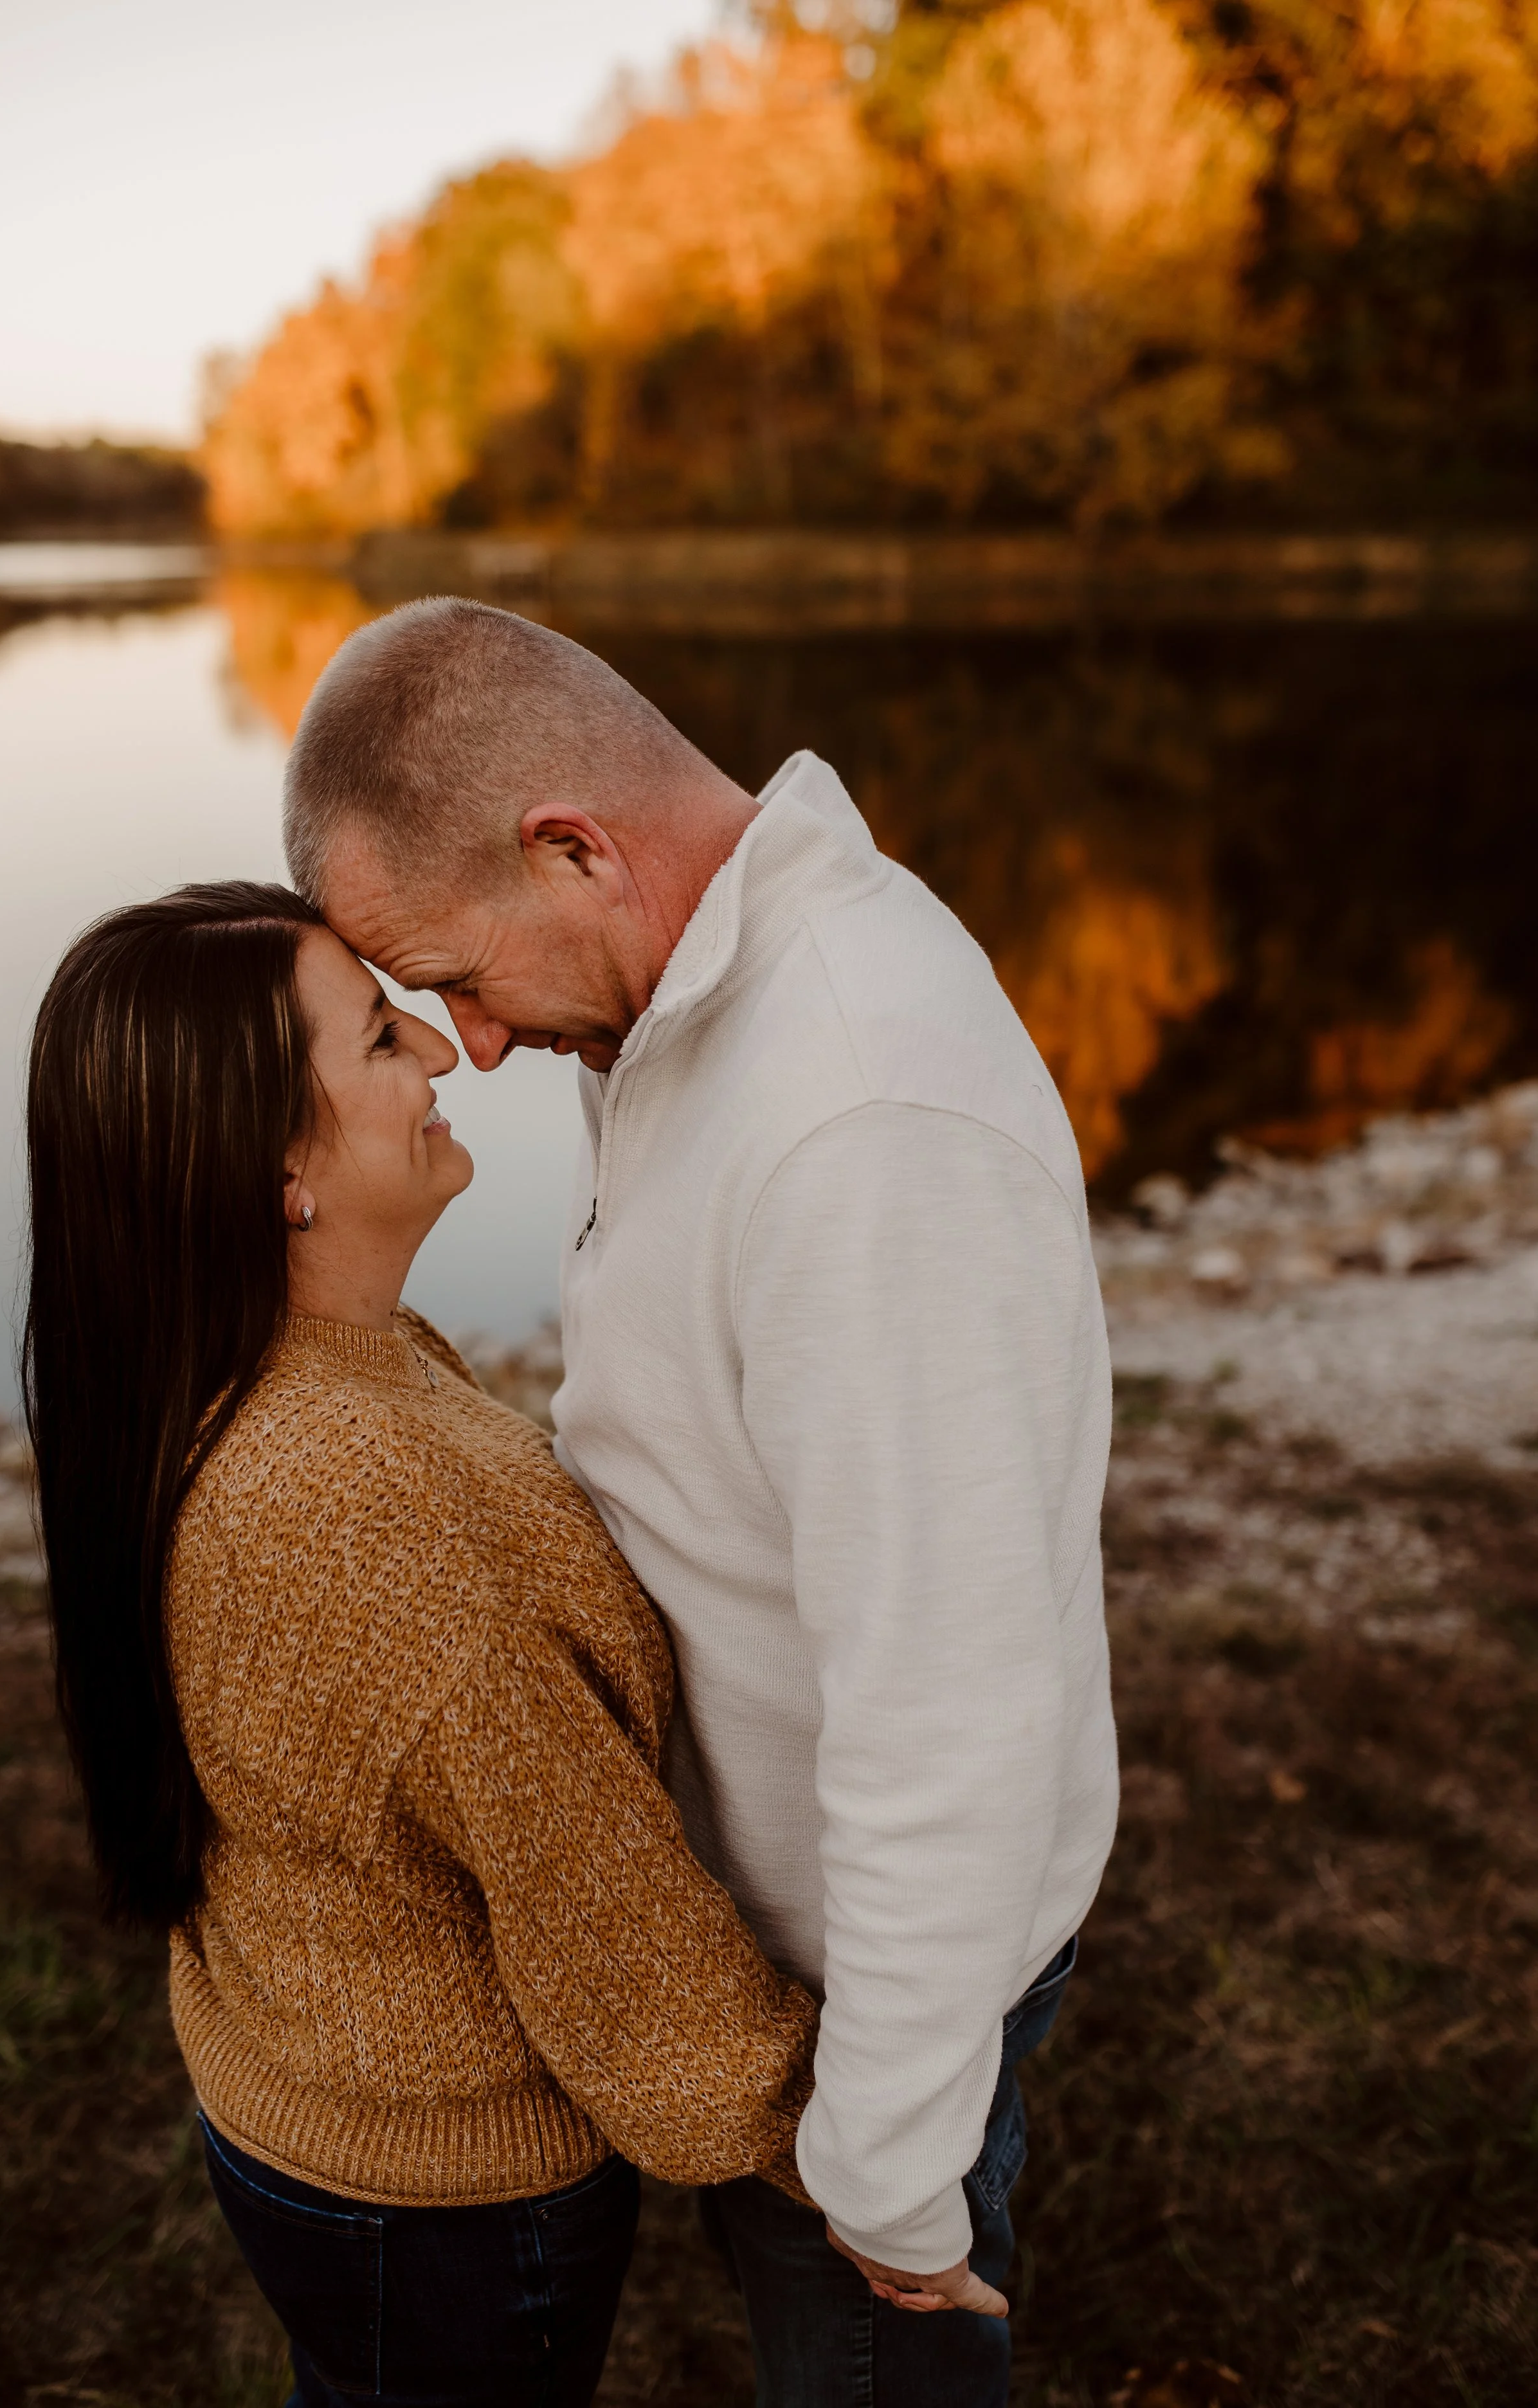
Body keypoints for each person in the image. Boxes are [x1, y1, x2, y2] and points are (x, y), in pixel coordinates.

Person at [282, 599, 1121, 2406]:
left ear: (573, 846)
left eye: (462, 977)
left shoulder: (857, 1121)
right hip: (765, 1960)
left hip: (862, 1997)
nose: (474, 1050)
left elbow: (949, 1704)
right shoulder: (682, 995)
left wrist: (890, 2173)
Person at [23, 881, 820, 2408]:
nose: (446, 1058)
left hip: (292, 2092)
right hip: (435, 2202)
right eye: (384, 1037)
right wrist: (851, 2151)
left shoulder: (231, 1369)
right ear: (274, 1177)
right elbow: (615, 1940)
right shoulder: (378, 1513)